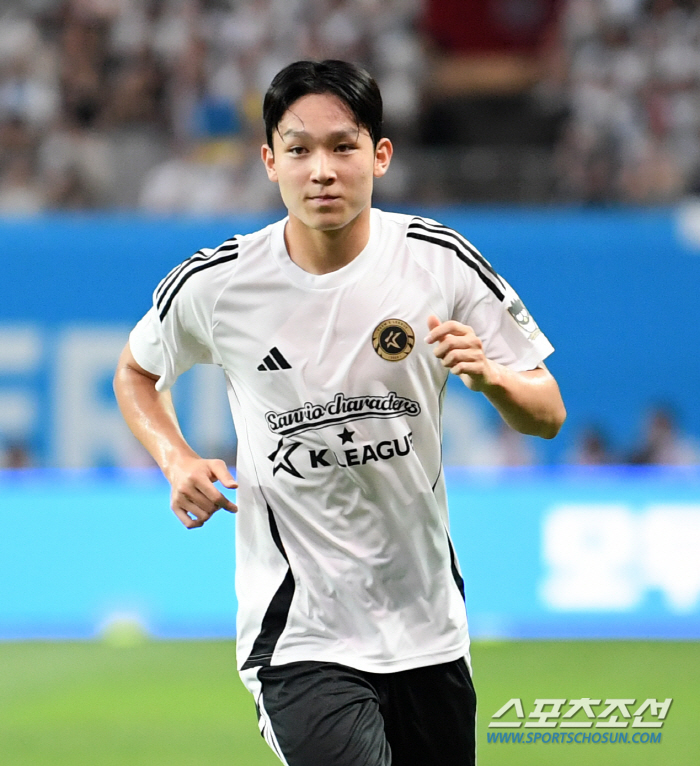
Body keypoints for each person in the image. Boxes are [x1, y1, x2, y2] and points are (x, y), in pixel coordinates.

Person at [114, 59, 566, 766]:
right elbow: (136, 371)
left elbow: (548, 413)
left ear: (380, 156)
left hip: (428, 628)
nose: (321, 170)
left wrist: (493, 379)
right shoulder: (219, 283)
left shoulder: (439, 261)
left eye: (342, 147)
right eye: (298, 150)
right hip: (300, 632)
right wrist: (175, 459)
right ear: (270, 162)